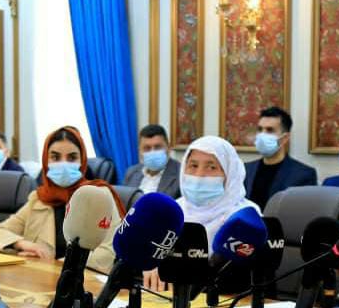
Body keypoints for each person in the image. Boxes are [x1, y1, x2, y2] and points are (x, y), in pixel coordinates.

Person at [0, 126, 120, 270]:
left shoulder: (100, 196)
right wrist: (23, 244)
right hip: (39, 281)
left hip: (83, 282)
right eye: (55, 157)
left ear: (83, 161)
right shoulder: (39, 199)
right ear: (45, 160)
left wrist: (58, 265)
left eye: (72, 157)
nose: (63, 163)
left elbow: (107, 253)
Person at [143, 135, 259, 292]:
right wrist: (150, 264)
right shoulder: (173, 210)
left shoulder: (246, 217)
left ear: (230, 174)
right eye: (193, 165)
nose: (199, 174)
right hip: (165, 300)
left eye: (211, 167)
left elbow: (241, 279)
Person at [243, 106, 317, 209]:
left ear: (284, 138)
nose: (262, 135)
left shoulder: (303, 174)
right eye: (260, 129)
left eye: (270, 130)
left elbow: (302, 213)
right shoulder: (245, 170)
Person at [121, 124, 181, 199]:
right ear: (139, 150)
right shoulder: (131, 173)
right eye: (147, 148)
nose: (152, 152)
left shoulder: (180, 174)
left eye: (158, 147)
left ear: (168, 147)